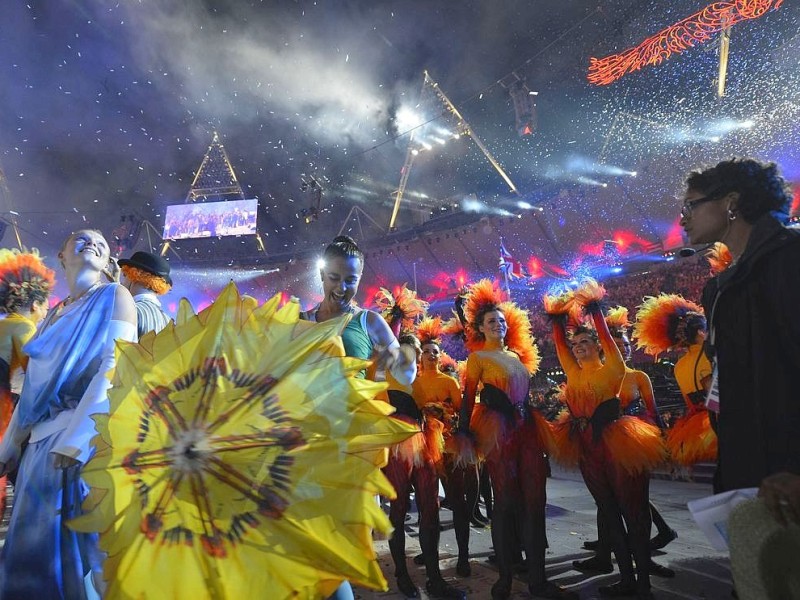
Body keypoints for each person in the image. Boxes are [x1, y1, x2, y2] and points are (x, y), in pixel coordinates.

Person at [0, 229, 137, 598]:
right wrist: (10, 447)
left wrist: (79, 439)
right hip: (38, 451)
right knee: (31, 554)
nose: (92, 242)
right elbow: (31, 391)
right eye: (81, 237)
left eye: (102, 242)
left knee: (80, 555)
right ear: (61, 255)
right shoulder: (54, 314)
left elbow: (115, 366)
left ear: (109, 262)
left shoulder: (116, 296)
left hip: (81, 446)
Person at [300, 235, 417, 600]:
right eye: (335, 277)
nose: (342, 286)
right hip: (304, 448)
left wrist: (401, 354)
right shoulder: (298, 321)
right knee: (307, 549)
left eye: (350, 279)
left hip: (349, 451)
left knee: (337, 550)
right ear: (323, 274)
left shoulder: (368, 321)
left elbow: (407, 374)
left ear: (360, 278)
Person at [679, 158, 800, 492]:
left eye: (692, 204)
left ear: (731, 202)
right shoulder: (721, 287)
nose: (683, 218)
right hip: (752, 467)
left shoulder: (789, 260)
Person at [545, 281, 665, 599]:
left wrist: (595, 311)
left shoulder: (612, 366)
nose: (579, 347)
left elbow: (609, 339)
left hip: (616, 443)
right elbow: (560, 346)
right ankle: (626, 578)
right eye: (576, 344)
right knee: (608, 511)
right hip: (586, 447)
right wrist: (557, 321)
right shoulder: (573, 372)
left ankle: (643, 584)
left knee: (633, 512)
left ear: (598, 345)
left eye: (586, 342)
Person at [458, 279, 573, 600]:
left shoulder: (515, 356)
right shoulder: (478, 358)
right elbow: (468, 399)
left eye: (502, 320)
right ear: (481, 328)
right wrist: (465, 433)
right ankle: (505, 577)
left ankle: (538, 578)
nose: (498, 324)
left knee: (535, 502)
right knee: (504, 503)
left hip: (526, 429)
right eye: (491, 321)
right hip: (499, 432)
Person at [574, 307, 676, 579]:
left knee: (637, 505)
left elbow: (653, 412)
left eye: (626, 345)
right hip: (605, 447)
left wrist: (661, 443)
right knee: (609, 504)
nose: (624, 349)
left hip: (635, 443)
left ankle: (643, 562)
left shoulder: (639, 377)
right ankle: (608, 556)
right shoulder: (604, 376)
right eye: (618, 345)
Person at [413, 317, 476, 580]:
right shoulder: (412, 381)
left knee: (459, 503)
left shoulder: (449, 382)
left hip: (448, 447)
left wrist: (443, 412)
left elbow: (461, 413)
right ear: (419, 355)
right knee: (427, 505)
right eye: (425, 351)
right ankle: (429, 551)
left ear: (440, 356)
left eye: (434, 352)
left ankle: (463, 555)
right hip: (421, 448)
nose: (430, 355)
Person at [633, 295, 717, 469]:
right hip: (715, 422)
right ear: (701, 332)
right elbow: (718, 398)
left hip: (695, 426)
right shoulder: (711, 356)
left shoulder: (679, 366)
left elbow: (690, 404)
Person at [0, 248, 54, 515]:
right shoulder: (24, 326)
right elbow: (37, 370)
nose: (45, 313)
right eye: (45, 306)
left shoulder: (4, 323)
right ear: (34, 304)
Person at [116, 250, 172, 337]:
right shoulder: (168, 322)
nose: (122, 282)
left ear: (133, 276)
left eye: (124, 275)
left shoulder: (129, 311)